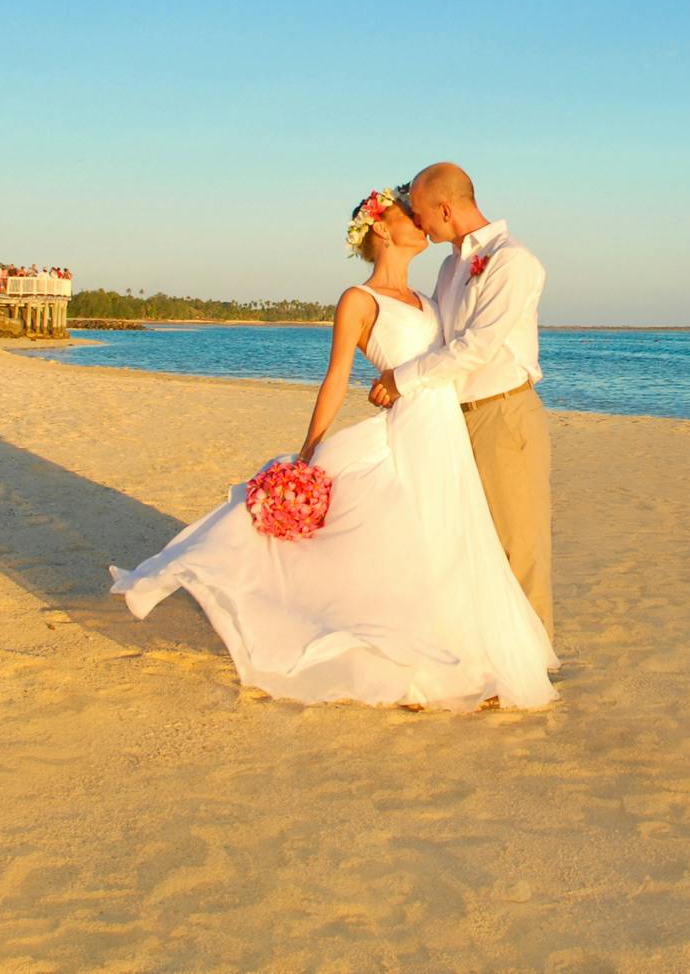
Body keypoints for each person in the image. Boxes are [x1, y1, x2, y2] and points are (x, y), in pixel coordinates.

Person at [108, 187, 556, 710]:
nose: (419, 222)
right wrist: (309, 450)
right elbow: (337, 377)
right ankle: (408, 661)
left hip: (447, 426)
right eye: (407, 215)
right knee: (414, 538)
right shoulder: (358, 300)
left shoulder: (432, 293)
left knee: (457, 541)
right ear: (381, 228)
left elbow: (462, 349)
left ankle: (473, 653)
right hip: (414, 424)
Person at [371, 163, 553, 638]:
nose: (418, 223)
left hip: (502, 414)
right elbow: (436, 339)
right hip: (451, 418)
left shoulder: (512, 261)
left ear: (446, 209)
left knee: (516, 543)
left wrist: (401, 380)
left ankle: (534, 661)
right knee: (468, 543)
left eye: (420, 212)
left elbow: (476, 348)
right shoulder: (450, 266)